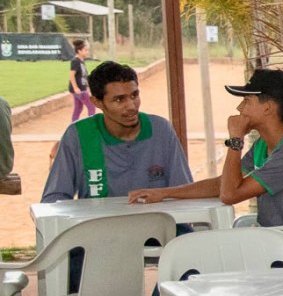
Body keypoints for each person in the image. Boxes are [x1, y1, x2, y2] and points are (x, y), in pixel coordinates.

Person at [128, 68, 283, 228]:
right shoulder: (264, 144)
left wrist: (236, 139)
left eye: (246, 101)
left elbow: (229, 195)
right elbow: (222, 185)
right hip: (271, 238)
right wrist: (163, 193)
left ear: (268, 108)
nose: (239, 108)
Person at [42, 60, 192, 203]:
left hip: (156, 221)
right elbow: (53, 199)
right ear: (97, 102)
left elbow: (183, 191)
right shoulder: (79, 134)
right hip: (98, 221)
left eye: (134, 95)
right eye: (119, 100)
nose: (131, 106)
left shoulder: (160, 130)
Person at [67, 39, 96, 120]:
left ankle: (74, 125)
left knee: (78, 108)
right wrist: (76, 87)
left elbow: (84, 76)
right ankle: (91, 124)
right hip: (79, 89)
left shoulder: (81, 61)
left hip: (81, 88)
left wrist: (88, 87)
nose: (87, 52)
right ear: (79, 51)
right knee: (91, 106)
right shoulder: (75, 61)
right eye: (85, 50)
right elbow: (71, 75)